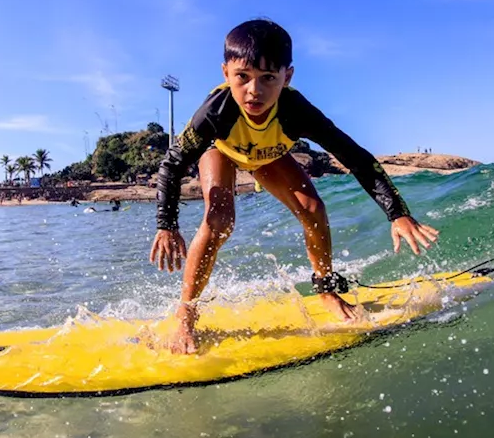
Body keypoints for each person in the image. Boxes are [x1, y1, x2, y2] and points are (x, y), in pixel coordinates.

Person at [150, 19, 439, 353]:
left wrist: (397, 213)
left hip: (267, 156)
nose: (254, 91)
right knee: (219, 220)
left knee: (313, 208)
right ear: (226, 72)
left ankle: (326, 289)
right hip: (222, 152)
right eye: (242, 77)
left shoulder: (297, 110)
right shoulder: (216, 112)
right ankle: (185, 316)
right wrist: (167, 226)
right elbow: (171, 164)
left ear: (287, 77)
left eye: (268, 79)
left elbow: (356, 157)